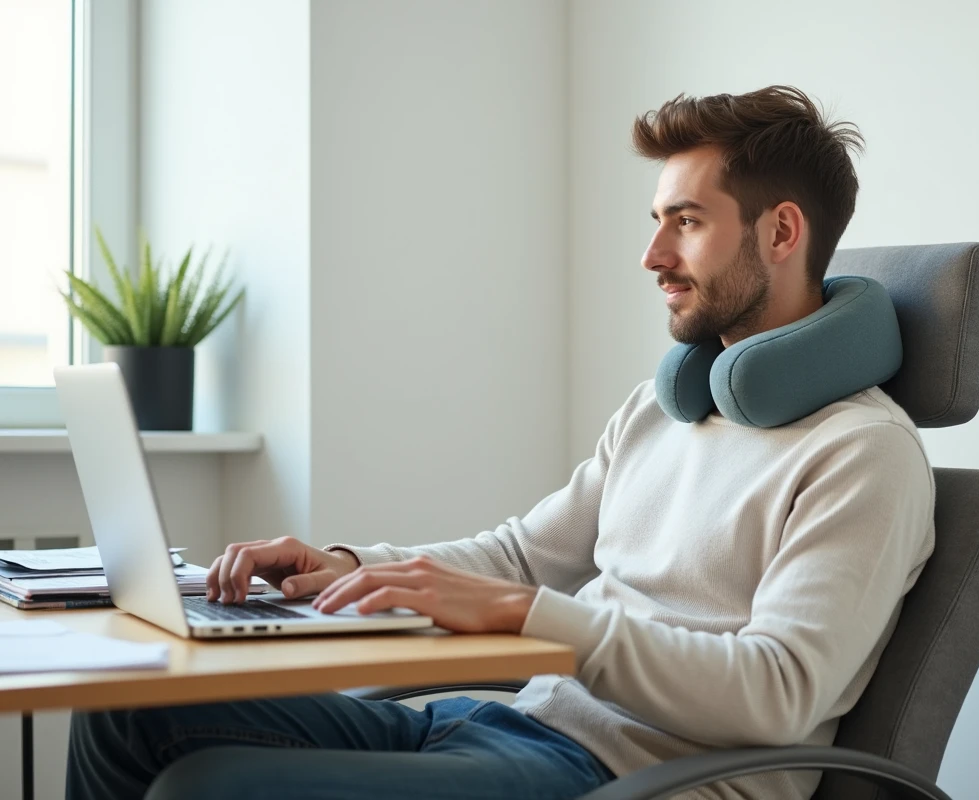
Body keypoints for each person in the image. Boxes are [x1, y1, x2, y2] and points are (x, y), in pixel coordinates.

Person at [67, 85, 935, 800]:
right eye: (656, 219)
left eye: (686, 222)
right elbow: (523, 556)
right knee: (126, 707)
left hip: (630, 778)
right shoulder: (665, 408)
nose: (651, 254)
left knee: (206, 789)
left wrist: (532, 617)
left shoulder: (862, 454)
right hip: (509, 727)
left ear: (781, 233)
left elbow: (778, 695)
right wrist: (348, 564)